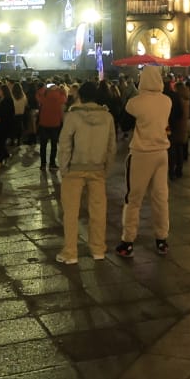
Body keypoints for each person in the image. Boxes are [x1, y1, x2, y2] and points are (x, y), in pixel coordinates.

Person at [56, 80, 115, 264]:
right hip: (97, 168)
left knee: (71, 212)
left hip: (75, 168)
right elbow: (111, 147)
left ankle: (70, 252)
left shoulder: (73, 116)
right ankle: (98, 248)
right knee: (98, 211)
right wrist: (107, 169)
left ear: (80, 96)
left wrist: (63, 167)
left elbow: (64, 145)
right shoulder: (107, 117)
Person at [117, 65, 173, 257]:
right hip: (162, 153)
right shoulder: (167, 101)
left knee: (134, 198)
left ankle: (128, 241)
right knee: (160, 197)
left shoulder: (135, 103)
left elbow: (125, 124)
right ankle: (162, 239)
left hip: (141, 153)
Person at [36, 80, 67, 169]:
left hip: (44, 123)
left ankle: (43, 164)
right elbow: (65, 98)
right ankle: (52, 163)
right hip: (55, 123)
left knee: (43, 145)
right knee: (54, 145)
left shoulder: (44, 95)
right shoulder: (60, 96)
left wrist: (45, 89)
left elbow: (37, 95)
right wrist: (61, 90)